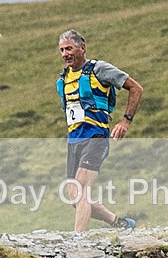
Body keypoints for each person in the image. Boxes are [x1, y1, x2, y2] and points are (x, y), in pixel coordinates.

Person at [56, 29, 143, 232]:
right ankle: (119, 223)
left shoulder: (99, 69)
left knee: (83, 188)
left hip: (96, 137)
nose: (65, 54)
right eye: (61, 50)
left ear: (82, 48)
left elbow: (136, 88)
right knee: (74, 198)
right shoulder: (65, 77)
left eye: (69, 48)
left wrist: (125, 121)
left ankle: (78, 240)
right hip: (73, 141)